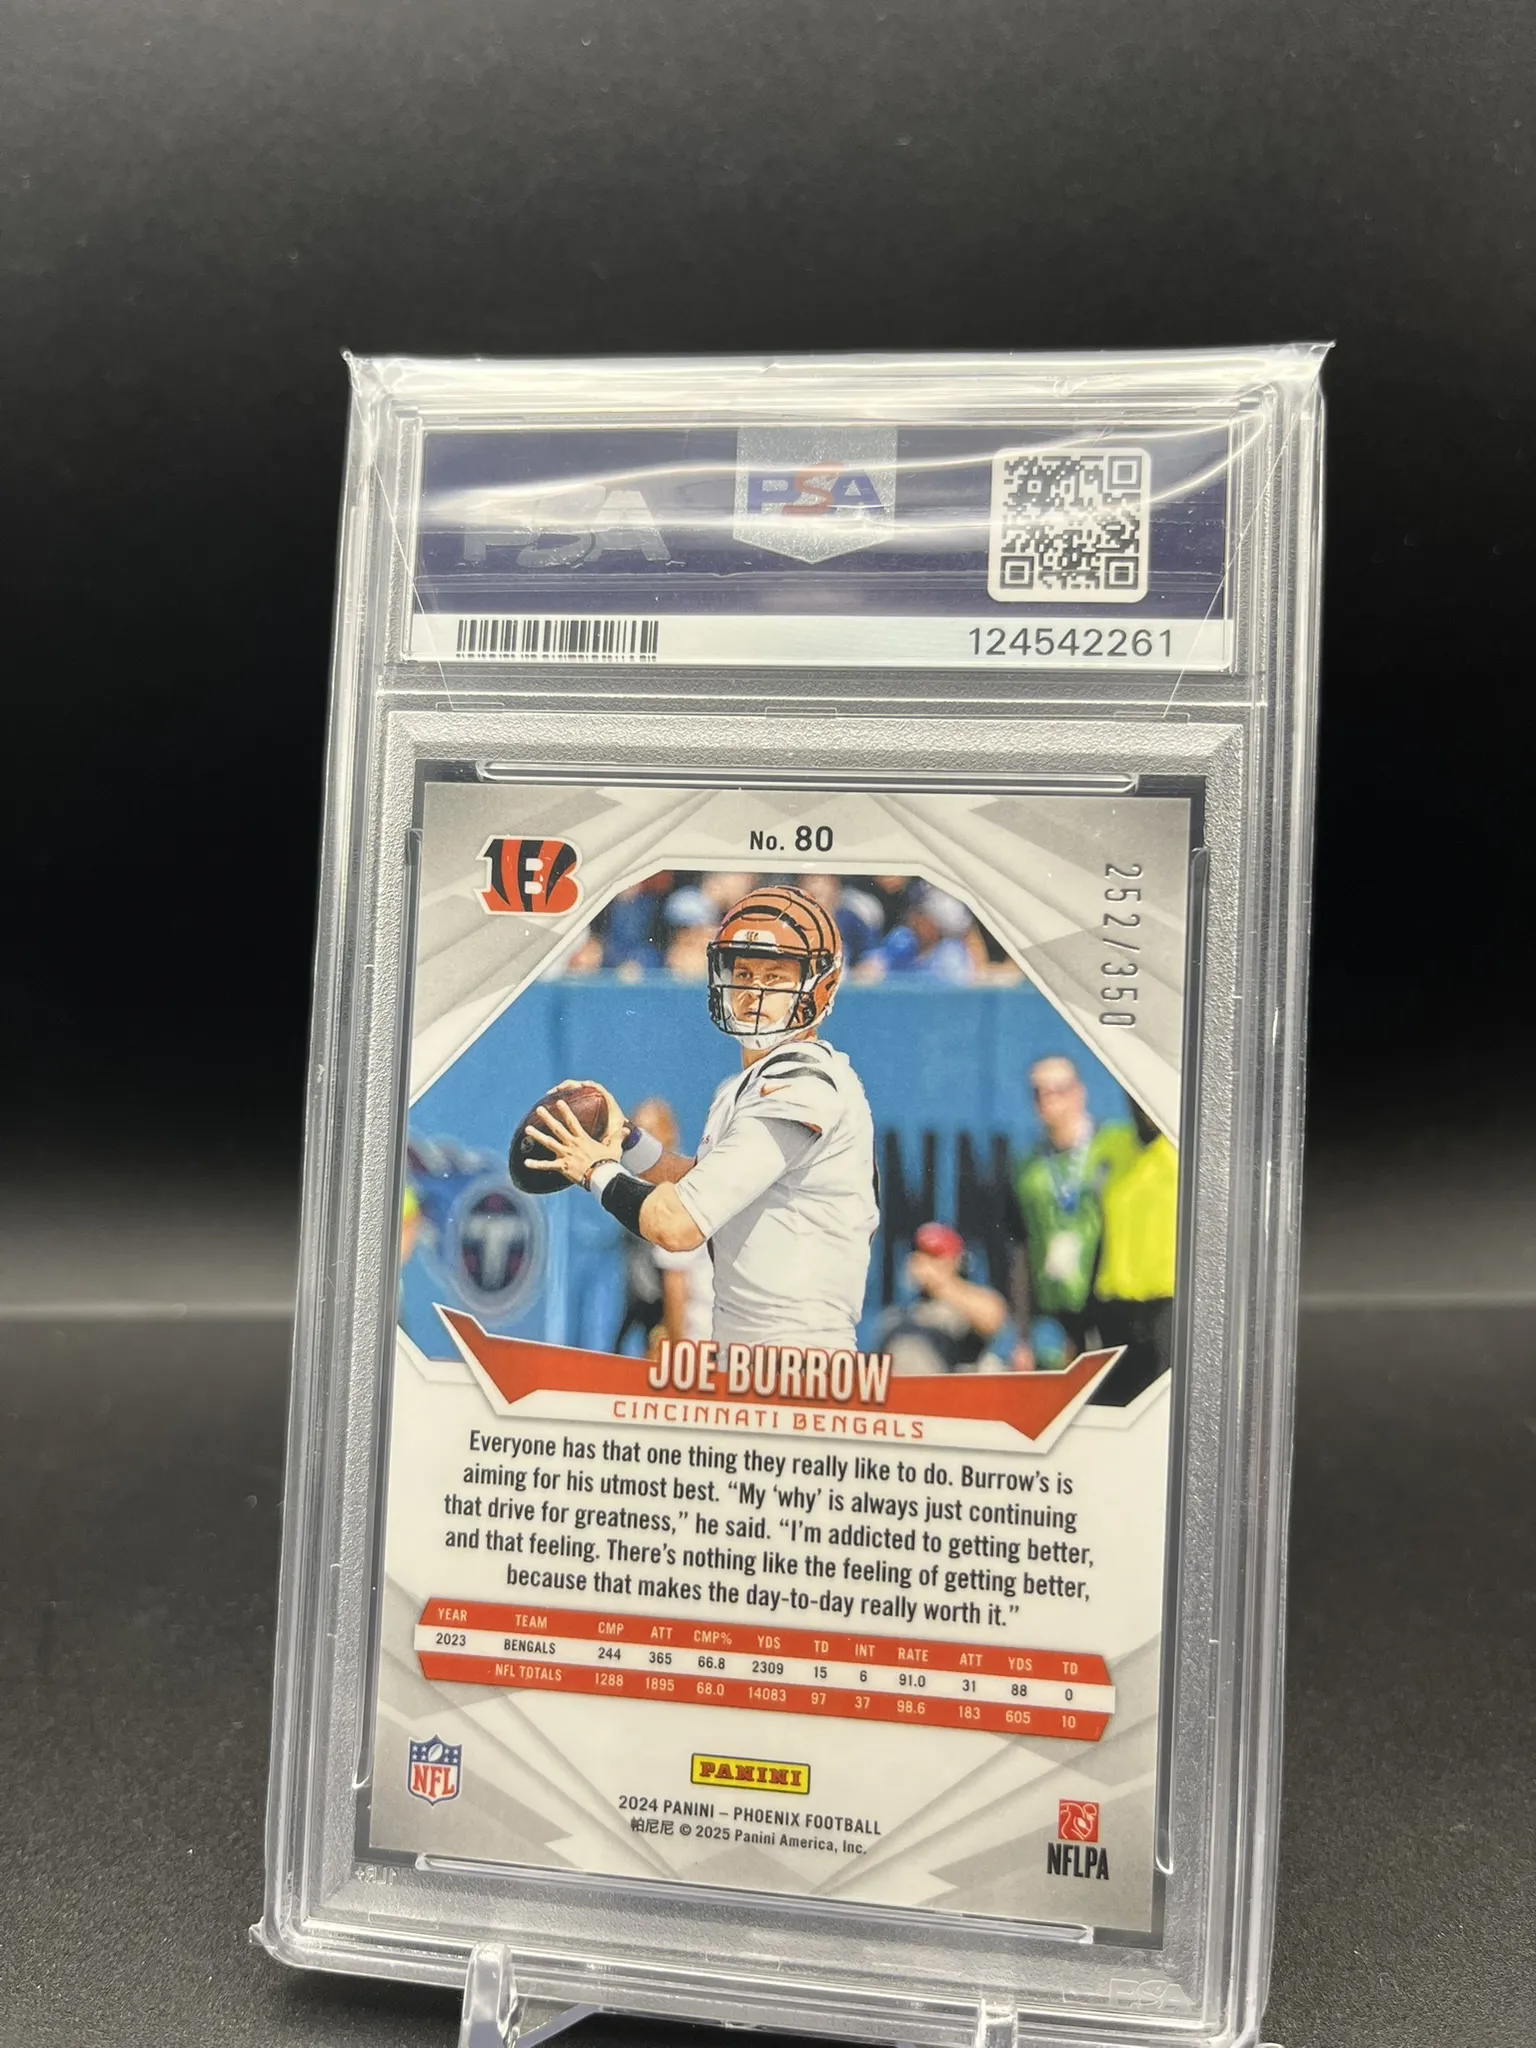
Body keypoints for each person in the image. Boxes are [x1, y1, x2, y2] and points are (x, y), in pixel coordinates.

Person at [523, 884, 879, 1354]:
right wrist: (626, 1140)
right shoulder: (743, 1085)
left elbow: (678, 1224)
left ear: (820, 986)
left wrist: (595, 1171)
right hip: (748, 1352)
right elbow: (704, 1182)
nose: (753, 991)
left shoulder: (803, 1084)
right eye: (744, 973)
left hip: (797, 1359)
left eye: (774, 977)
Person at [1005, 1055, 1139, 1369]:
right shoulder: (1028, 1168)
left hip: (1112, 1303)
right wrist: (1022, 1335)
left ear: (1079, 1092)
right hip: (1056, 1307)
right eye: (1038, 1092)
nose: (1048, 1101)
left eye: (1058, 1090)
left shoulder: (1113, 1146)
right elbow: (1019, 1247)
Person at [1086, 1103, 1178, 1405]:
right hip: (1116, 1306)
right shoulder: (1110, 1146)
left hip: (1168, 1304)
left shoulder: (1183, 1150)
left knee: (1161, 1404)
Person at [876, 1222, 1010, 1375]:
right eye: (919, 1253)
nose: (922, 1262)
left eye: (934, 1255)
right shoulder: (896, 1317)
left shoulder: (966, 1305)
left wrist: (939, 1285)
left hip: (946, 1387)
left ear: (955, 1261)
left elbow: (993, 1319)